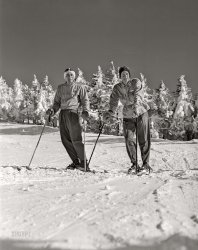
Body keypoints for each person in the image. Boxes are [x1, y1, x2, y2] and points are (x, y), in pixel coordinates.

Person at [103, 66, 152, 174]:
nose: (124, 76)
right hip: (127, 115)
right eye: (122, 74)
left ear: (129, 75)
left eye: (126, 74)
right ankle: (134, 164)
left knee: (143, 138)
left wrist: (136, 105)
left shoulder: (135, 82)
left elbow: (138, 95)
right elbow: (114, 101)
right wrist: (110, 112)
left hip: (141, 112)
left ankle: (145, 165)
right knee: (129, 139)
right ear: (120, 76)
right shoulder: (117, 88)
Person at [46, 68, 90, 171]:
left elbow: (85, 101)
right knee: (65, 140)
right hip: (62, 114)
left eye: (71, 75)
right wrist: (53, 110)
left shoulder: (80, 87)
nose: (69, 76)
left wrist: (85, 111)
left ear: (74, 76)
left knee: (76, 139)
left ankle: (84, 163)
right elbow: (56, 103)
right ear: (65, 77)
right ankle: (76, 162)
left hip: (73, 113)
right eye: (67, 75)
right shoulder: (60, 88)